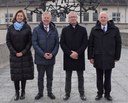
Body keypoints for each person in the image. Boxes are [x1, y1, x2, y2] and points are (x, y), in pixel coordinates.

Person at [88, 11, 122, 101]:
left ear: (107, 19)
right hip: (98, 57)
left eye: (104, 17)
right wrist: (90, 57)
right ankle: (99, 93)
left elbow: (118, 44)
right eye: (101, 17)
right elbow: (90, 44)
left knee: (108, 77)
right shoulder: (94, 29)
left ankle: (107, 94)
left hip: (109, 57)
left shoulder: (114, 29)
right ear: (99, 19)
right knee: (99, 77)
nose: (103, 19)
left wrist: (116, 57)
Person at [6, 10, 34, 101]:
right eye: (18, 15)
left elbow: (30, 41)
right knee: (16, 75)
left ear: (24, 17)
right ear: (15, 17)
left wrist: (23, 52)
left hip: (25, 55)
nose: (19, 17)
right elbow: (8, 41)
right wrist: (14, 52)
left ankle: (23, 92)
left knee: (23, 75)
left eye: (21, 16)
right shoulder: (10, 28)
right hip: (14, 55)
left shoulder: (27, 27)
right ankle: (17, 92)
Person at [60, 11, 88, 101]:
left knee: (80, 77)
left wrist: (77, 53)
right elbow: (62, 43)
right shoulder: (65, 29)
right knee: (68, 77)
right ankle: (67, 93)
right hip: (68, 57)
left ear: (77, 18)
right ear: (69, 18)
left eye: (74, 17)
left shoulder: (83, 29)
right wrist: (70, 53)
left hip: (79, 57)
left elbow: (85, 43)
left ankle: (82, 93)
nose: (73, 18)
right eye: (71, 17)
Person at [32, 12, 59, 100]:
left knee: (50, 77)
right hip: (40, 58)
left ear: (50, 19)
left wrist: (52, 54)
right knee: (40, 77)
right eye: (45, 18)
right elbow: (34, 43)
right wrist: (43, 54)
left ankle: (49, 92)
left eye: (48, 18)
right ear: (42, 19)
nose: (46, 19)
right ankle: (40, 93)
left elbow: (57, 44)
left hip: (51, 58)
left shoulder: (54, 29)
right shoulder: (36, 30)